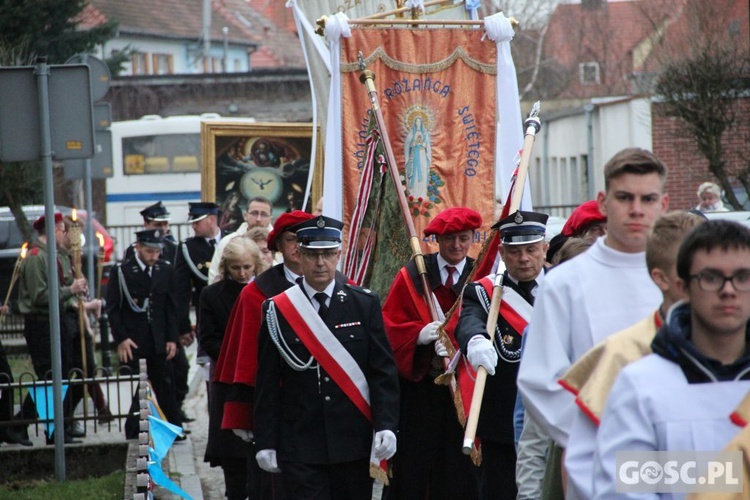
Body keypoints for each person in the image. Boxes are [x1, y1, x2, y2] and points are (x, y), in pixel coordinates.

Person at [517, 147, 669, 498]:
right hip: (600, 458)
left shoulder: (686, 278)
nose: (636, 209)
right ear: (603, 202)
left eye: (647, 198)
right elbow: (540, 381)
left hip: (677, 457)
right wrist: (600, 436)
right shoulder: (565, 282)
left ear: (663, 204)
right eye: (624, 197)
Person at [592, 219, 750, 497]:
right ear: (683, 287)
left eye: (743, 277)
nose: (729, 290)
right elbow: (627, 492)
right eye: (711, 277)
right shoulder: (641, 387)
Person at [560, 211, 705, 499]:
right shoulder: (619, 355)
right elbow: (590, 465)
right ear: (661, 278)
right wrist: (722, 471)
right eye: (701, 273)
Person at [253, 215, 400, 499]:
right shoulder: (278, 310)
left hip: (353, 438)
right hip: (300, 439)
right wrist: (266, 440)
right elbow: (267, 383)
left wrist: (386, 425)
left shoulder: (364, 303)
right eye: (312, 255)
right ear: (299, 255)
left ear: (338, 255)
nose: (320, 263)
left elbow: (382, 373)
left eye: (328, 254)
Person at [381, 206, 481, 499]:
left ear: (473, 237)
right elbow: (390, 326)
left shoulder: (479, 275)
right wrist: (419, 335)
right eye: (449, 239)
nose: (457, 246)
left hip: (463, 389)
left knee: (459, 468)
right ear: (437, 239)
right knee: (416, 466)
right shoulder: (413, 275)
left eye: (464, 238)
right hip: (422, 390)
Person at [214, 210, 315, 499]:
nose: (299, 247)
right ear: (279, 246)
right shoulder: (257, 293)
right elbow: (243, 359)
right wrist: (240, 413)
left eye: (306, 239)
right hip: (275, 411)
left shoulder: (339, 287)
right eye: (292, 239)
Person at [457, 209, 549, 499]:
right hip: (503, 427)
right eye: (515, 251)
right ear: (502, 253)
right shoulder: (484, 293)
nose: (524, 258)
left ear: (544, 248)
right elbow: (469, 319)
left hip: (556, 420)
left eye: (531, 249)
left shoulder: (563, 286)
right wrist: (475, 341)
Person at [201, 236, 269, 500]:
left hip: (263, 379)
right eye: (236, 268)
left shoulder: (267, 291)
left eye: (247, 267)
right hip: (229, 382)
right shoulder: (211, 295)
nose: (242, 274)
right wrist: (238, 357)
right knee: (235, 459)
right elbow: (208, 339)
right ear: (226, 268)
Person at [17, 212, 89, 444]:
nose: (64, 234)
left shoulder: (53, 256)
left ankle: (57, 428)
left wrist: (75, 287)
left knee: (62, 374)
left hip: (54, 321)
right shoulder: (37, 257)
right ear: (52, 230)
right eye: (61, 229)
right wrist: (71, 291)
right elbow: (40, 296)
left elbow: (61, 286)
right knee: (49, 376)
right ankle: (22, 424)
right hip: (41, 324)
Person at [106, 229, 183, 439]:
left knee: (164, 382)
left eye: (157, 252)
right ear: (138, 247)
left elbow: (170, 308)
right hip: (135, 339)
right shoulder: (122, 271)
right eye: (149, 251)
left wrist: (171, 338)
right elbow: (113, 309)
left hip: (159, 338)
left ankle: (173, 427)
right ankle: (141, 429)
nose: (154, 256)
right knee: (144, 382)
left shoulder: (164, 270)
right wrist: (121, 338)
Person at [172, 201, 223, 419]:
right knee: (212, 378)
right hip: (209, 321)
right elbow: (181, 292)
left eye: (197, 222)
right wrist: (184, 327)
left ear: (211, 219)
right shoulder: (189, 248)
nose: (193, 227)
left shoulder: (233, 240)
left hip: (235, 317)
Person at [208, 196, 274, 284]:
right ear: (245, 215)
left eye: (264, 214)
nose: (258, 219)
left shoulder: (278, 243)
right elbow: (215, 274)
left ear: (270, 218)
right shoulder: (228, 241)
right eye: (254, 213)